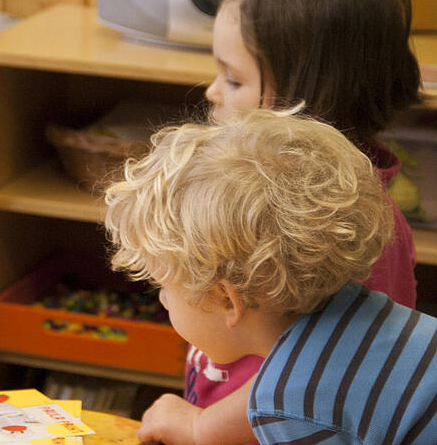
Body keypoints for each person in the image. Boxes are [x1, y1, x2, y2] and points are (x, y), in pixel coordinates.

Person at [155, 0, 423, 444]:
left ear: (308, 100)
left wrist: (199, 428)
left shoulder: (350, 231)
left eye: (234, 79)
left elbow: (326, 374)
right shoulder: (261, 198)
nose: (212, 92)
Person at [104, 108, 437, 444]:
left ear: (226, 299)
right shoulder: (361, 306)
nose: (162, 298)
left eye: (163, 285)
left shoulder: (287, 402)